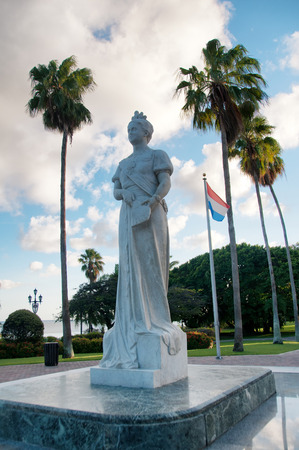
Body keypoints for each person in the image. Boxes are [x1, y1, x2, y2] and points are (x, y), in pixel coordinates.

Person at [100, 111, 183, 369]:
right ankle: (134, 320)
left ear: (146, 132)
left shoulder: (157, 155)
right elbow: (115, 190)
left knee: (152, 267)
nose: (130, 132)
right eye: (128, 128)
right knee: (130, 267)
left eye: (134, 128)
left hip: (152, 212)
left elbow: (165, 181)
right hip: (128, 216)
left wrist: (155, 200)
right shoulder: (123, 164)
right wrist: (123, 192)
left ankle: (156, 318)